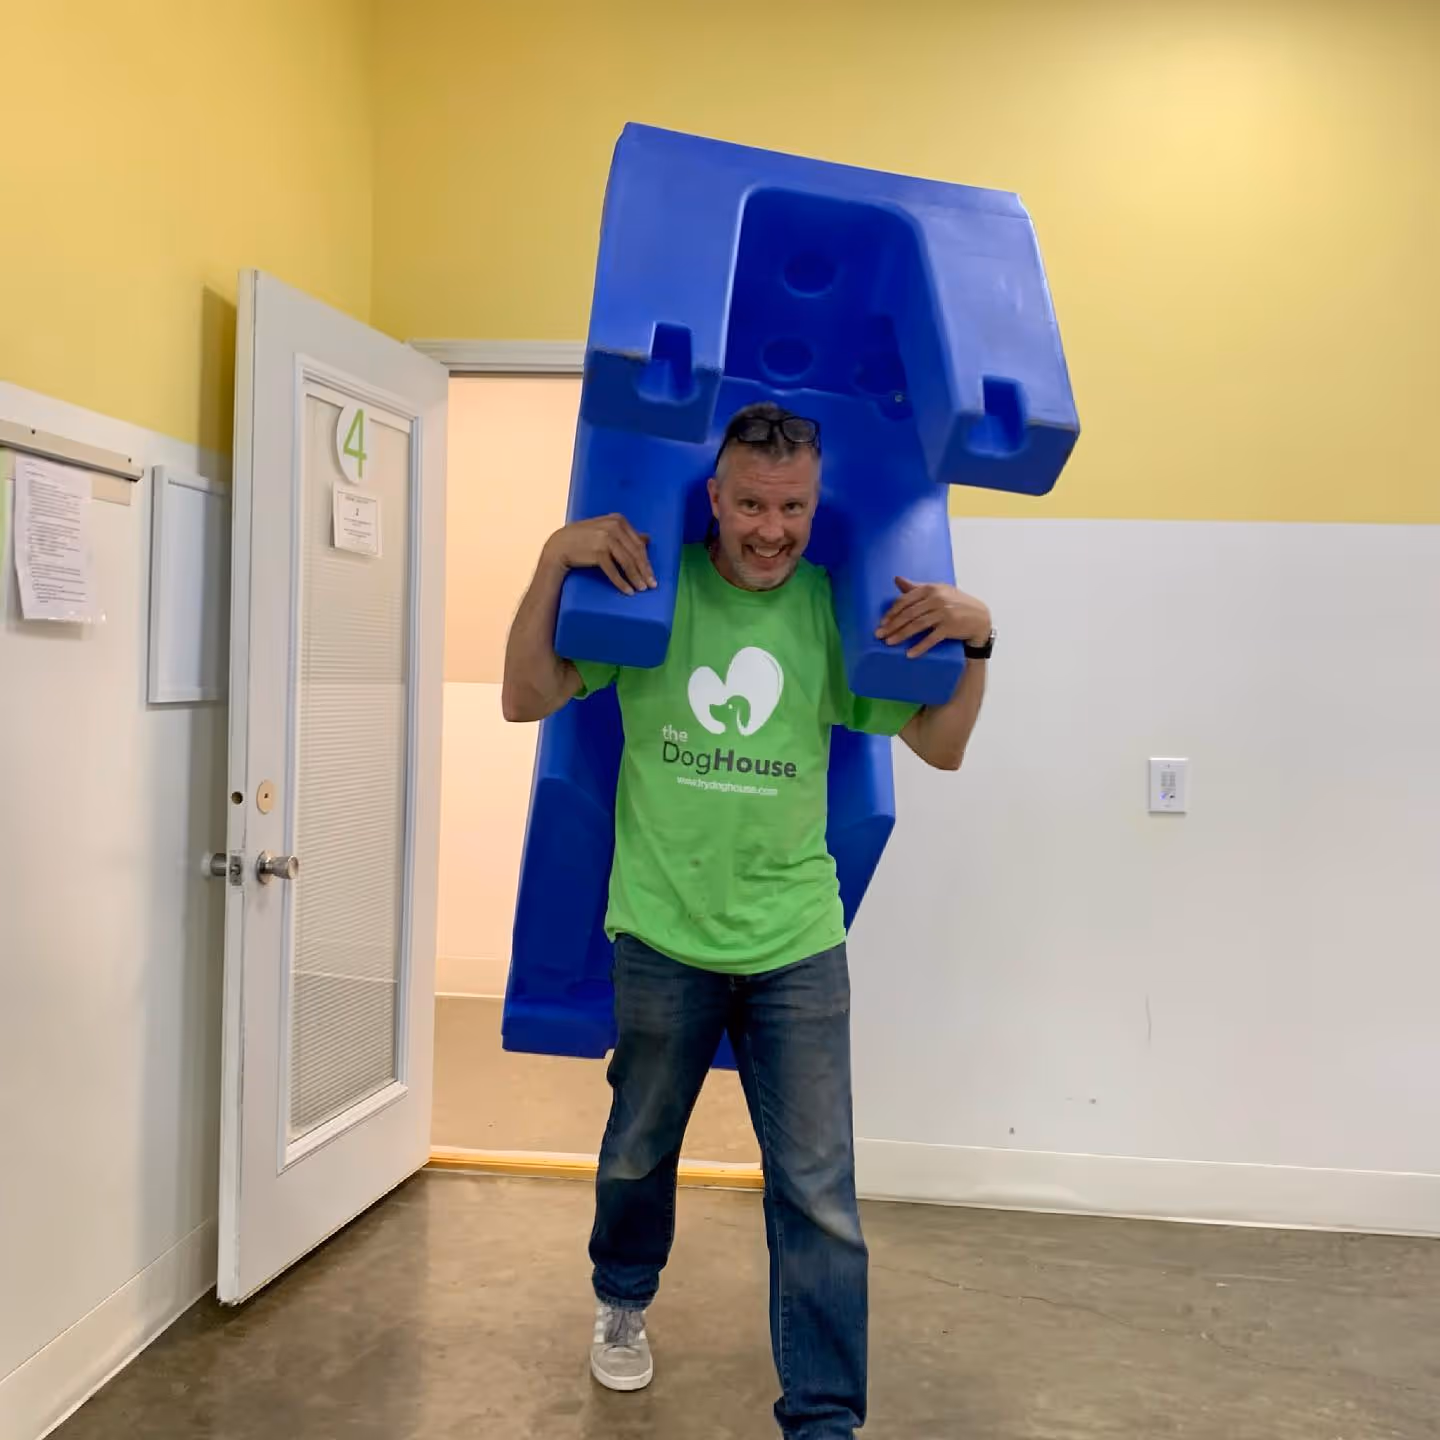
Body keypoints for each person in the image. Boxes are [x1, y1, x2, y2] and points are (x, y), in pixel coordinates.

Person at [501, 401, 994, 1439]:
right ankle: (623, 1302)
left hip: (797, 942)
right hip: (662, 934)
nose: (773, 528)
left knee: (818, 1193)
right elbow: (525, 693)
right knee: (640, 1148)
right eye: (754, 504)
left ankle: (823, 1420)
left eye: (795, 507)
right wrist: (553, 559)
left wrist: (979, 638)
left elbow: (941, 748)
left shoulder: (832, 607)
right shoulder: (653, 596)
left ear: (817, 506)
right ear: (715, 498)